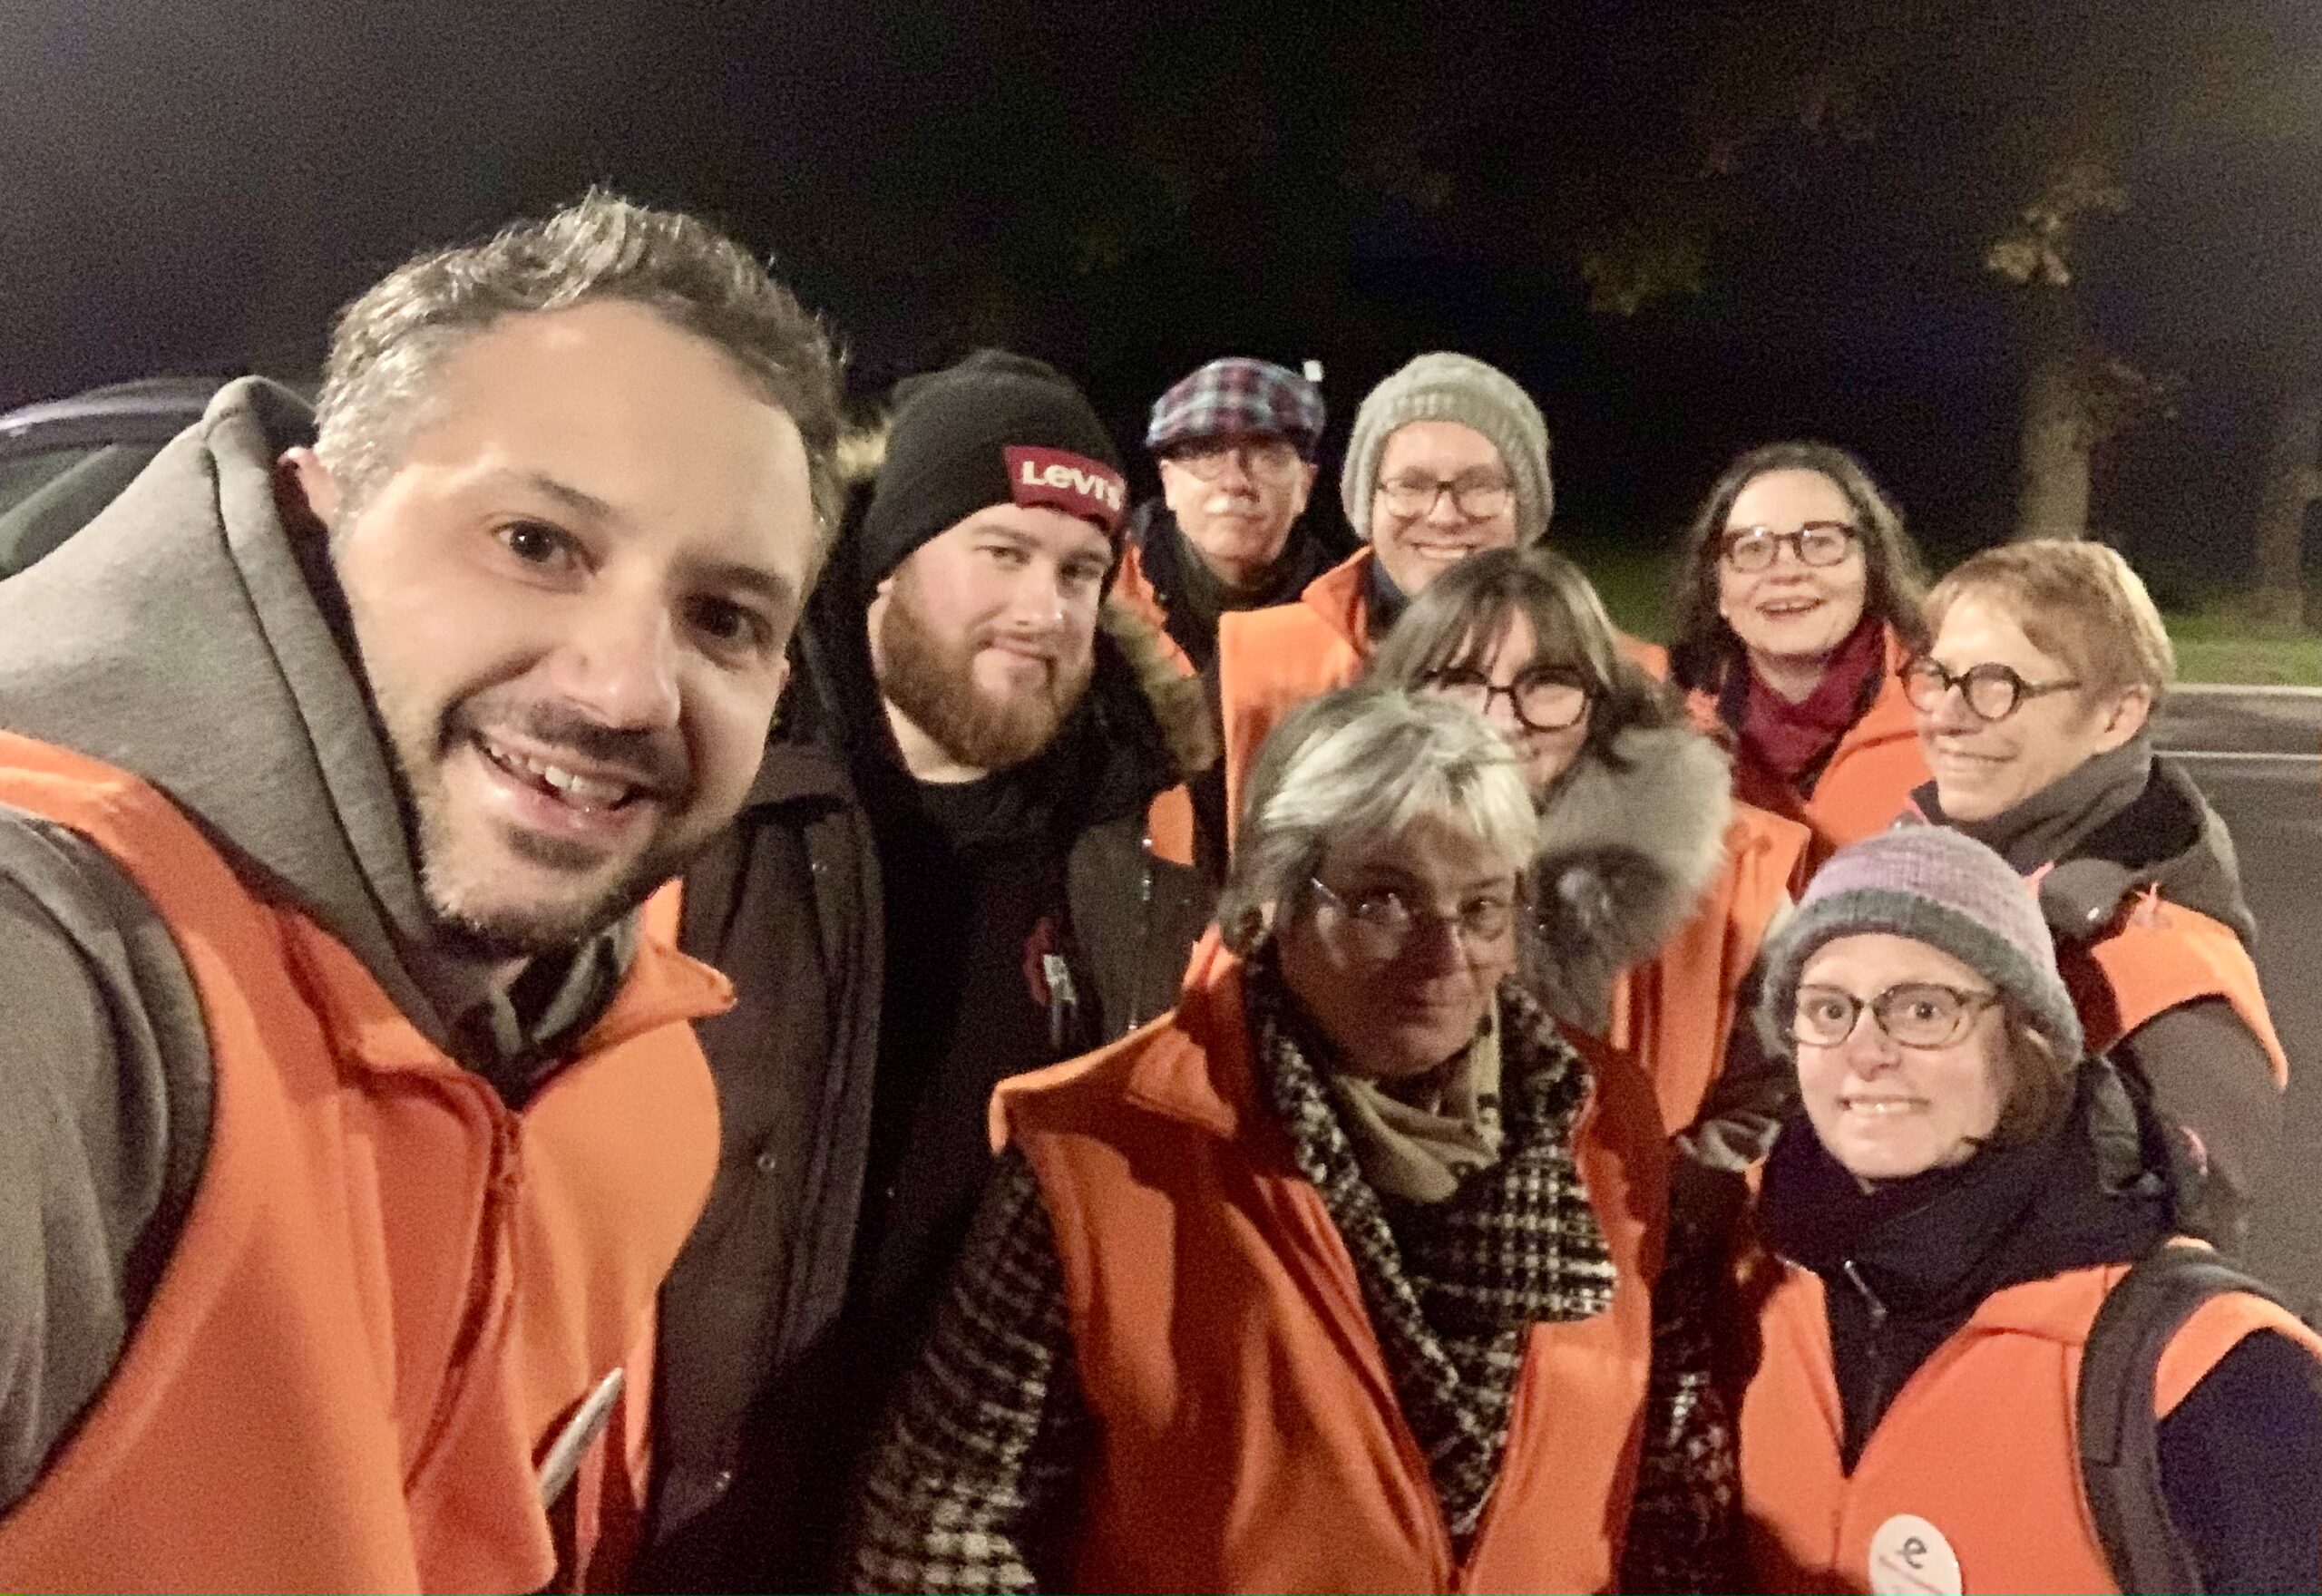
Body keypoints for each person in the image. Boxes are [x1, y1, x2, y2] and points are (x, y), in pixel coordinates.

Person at [0, 193, 843, 1591]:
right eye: (535, 543)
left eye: (722, 618)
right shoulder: (59, 966)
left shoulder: (633, 1069)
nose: (626, 690)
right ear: (318, 505)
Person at [848, 687, 1733, 1595]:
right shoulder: (1107, 1150)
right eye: (1385, 900)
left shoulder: (1605, 1125)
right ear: (1277, 894)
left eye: (1481, 908)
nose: (1444, 958)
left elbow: (1672, 1484)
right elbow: (936, 1529)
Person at [635, 350, 1216, 1591]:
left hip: (970, 1531)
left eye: (1077, 572)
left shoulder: (1142, 843)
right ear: (889, 561)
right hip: (702, 1520)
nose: (1042, 609)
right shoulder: (721, 791)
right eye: (1001, 554)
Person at [1738, 825, 2321, 1594]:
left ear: (2028, 1040)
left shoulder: (2207, 1369)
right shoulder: (1747, 1282)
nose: (1866, 1051)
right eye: (1827, 1009)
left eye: (1923, 1011)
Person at [1904, 539, 2288, 1251]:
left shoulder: (2165, 970)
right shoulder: (1917, 868)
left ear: (2117, 716)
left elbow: (2180, 1238)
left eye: (1996, 685)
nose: (1945, 716)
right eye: (1938, 677)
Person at [1371, 546, 1810, 1165]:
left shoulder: (1733, 874)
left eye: (1546, 682)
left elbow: (1794, 1088)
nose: (1500, 719)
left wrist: (1674, 1193)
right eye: (1461, 682)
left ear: (1602, 700)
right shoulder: (1336, 870)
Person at [1215, 352, 1664, 841]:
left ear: (1525, 505)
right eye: (1411, 486)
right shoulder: (1254, 663)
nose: (1445, 515)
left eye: (1479, 486)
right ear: (1368, 502)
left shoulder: (1631, 679)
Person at [1668, 441, 1931, 861]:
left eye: (1820, 542)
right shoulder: (1666, 730)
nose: (1787, 570)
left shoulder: (1947, 714)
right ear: (1718, 588)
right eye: (1753, 548)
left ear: (1871, 567)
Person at [1114, 355, 1341, 676]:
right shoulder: (1103, 594)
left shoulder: (1348, 620)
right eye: (1207, 453)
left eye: (1267, 455)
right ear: (1169, 483)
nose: (1235, 481)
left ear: (1304, 486)